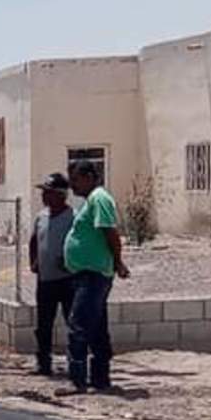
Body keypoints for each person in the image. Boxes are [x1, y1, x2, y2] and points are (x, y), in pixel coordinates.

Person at [62, 160, 130, 393]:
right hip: (88, 273)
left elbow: (110, 232)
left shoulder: (99, 198)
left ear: (90, 177)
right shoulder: (91, 201)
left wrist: (118, 261)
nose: (72, 185)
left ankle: (77, 380)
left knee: (78, 326)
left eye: (76, 179)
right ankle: (100, 378)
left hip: (94, 274)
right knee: (97, 328)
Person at [28, 172, 75, 376]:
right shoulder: (42, 216)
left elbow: (79, 245)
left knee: (72, 322)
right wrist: (33, 262)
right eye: (44, 192)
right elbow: (34, 240)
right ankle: (43, 362)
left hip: (68, 280)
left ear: (61, 195)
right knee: (43, 324)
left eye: (48, 192)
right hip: (45, 279)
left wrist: (70, 262)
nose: (44, 196)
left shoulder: (73, 218)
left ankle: (76, 362)